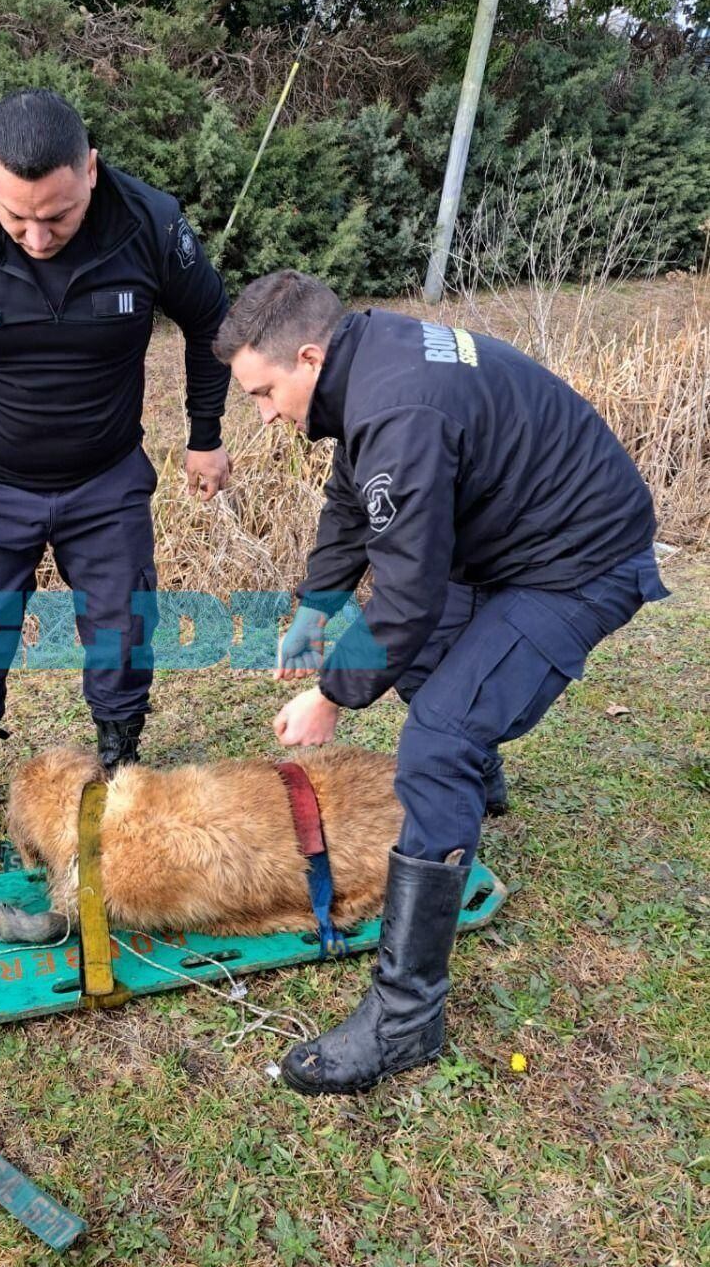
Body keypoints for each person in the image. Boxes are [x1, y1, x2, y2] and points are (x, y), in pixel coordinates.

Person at [213, 270, 667, 1095]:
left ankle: (404, 1018)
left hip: (576, 564)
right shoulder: (368, 363)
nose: (263, 413)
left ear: (308, 356)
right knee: (425, 668)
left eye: (262, 391)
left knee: (435, 744)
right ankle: (475, 784)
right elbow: (354, 502)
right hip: (505, 544)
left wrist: (330, 695)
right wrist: (315, 609)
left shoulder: (398, 408)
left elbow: (408, 595)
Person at [0, 89, 232, 844]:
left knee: (123, 629)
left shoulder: (149, 222)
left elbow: (211, 324)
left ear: (90, 171)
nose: (35, 235)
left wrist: (204, 432)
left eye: (56, 216)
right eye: (15, 215)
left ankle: (120, 764)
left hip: (106, 479)